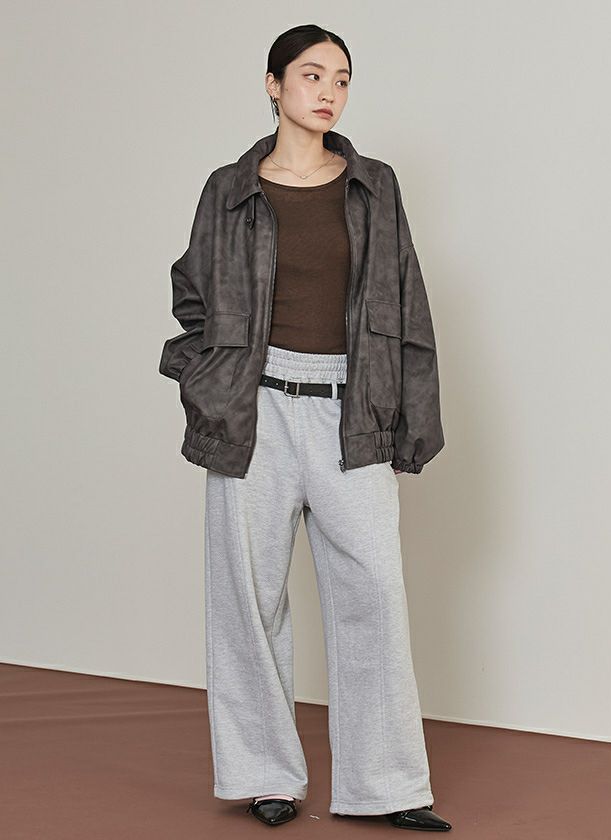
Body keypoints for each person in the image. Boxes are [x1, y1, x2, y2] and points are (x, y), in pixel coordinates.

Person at [159, 24, 450, 831]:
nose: (329, 92)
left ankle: (387, 786)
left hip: (351, 408)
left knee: (374, 592)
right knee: (248, 599)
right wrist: (208, 379)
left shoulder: (374, 186)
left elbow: (407, 304)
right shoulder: (228, 189)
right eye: (313, 74)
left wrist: (411, 420)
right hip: (250, 411)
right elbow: (193, 294)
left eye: (343, 79)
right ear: (273, 84)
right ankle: (266, 776)